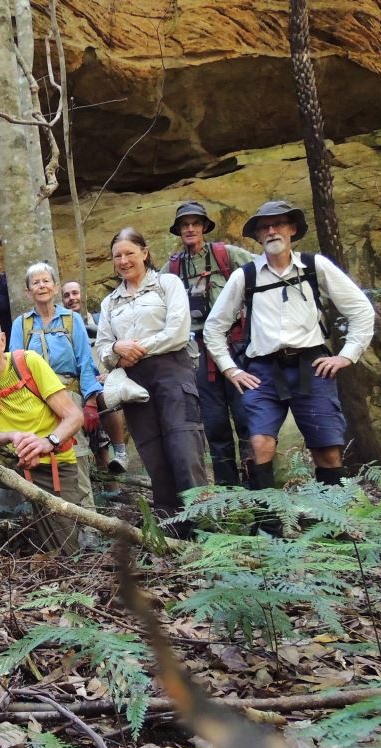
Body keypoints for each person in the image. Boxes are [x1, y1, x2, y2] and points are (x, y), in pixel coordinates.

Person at [203, 200, 375, 493]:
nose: (272, 231)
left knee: (327, 450)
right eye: (264, 227)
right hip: (262, 371)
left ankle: (334, 524)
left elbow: (361, 309)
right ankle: (270, 526)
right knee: (260, 444)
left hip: (313, 367)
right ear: (257, 236)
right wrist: (231, 370)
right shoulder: (245, 276)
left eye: (278, 224)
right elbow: (213, 328)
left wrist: (346, 356)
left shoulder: (313, 266)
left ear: (292, 229)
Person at [94, 228, 208, 536]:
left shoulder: (167, 284)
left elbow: (178, 332)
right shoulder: (110, 302)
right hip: (134, 383)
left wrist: (136, 349)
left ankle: (203, 529)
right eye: (117, 255)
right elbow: (103, 345)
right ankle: (170, 531)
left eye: (130, 252)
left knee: (184, 448)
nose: (123, 260)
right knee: (153, 455)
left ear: (145, 252)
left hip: (173, 372)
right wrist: (117, 350)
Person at [0, 315, 85, 555]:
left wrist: (48, 443)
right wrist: (12, 436)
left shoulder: (29, 362)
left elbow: (74, 416)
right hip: (8, 459)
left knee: (65, 553)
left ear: (3, 340)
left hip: (50, 461)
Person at [167, 201, 256, 487]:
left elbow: (263, 268)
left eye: (195, 223)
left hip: (236, 348)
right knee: (215, 426)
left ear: (204, 226)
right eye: (184, 224)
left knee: (246, 420)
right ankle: (230, 494)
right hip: (199, 354)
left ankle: (259, 490)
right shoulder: (172, 268)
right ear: (179, 230)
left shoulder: (225, 255)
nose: (190, 228)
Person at [8, 262, 102, 508]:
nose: (42, 286)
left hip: (68, 394)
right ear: (28, 292)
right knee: (37, 454)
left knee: (77, 455)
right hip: (34, 397)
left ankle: (89, 521)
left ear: (56, 287)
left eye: (46, 281)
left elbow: (85, 360)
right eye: (35, 282)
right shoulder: (22, 324)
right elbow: (15, 364)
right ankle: (47, 515)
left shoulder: (71, 320)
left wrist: (90, 402)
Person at [61, 278, 131, 473]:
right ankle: (109, 485)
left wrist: (110, 375)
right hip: (79, 384)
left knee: (109, 403)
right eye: (66, 295)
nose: (71, 298)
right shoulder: (61, 327)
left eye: (75, 293)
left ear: (83, 295)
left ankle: (120, 454)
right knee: (97, 440)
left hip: (108, 380)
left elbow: (117, 349)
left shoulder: (102, 321)